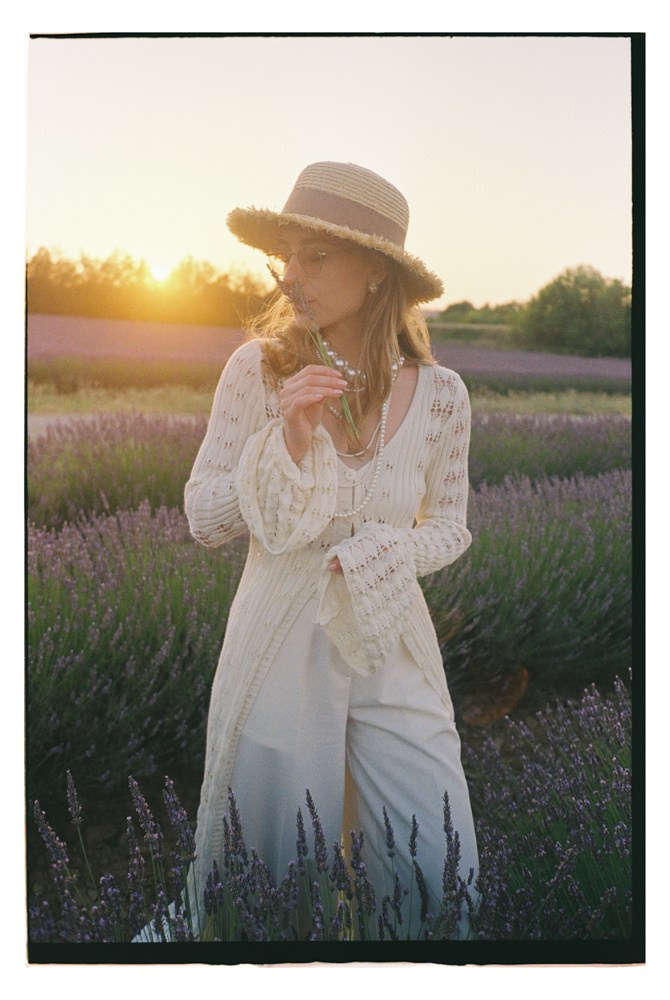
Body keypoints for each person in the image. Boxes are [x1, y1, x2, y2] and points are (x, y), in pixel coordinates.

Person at [184, 161, 478, 938]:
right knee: (278, 872)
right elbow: (204, 516)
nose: (289, 277)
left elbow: (450, 524)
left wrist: (386, 552)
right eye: (286, 254)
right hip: (281, 635)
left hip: (391, 630)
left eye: (315, 256)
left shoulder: (444, 394)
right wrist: (284, 442)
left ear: (375, 271)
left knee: (435, 852)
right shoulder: (257, 369)